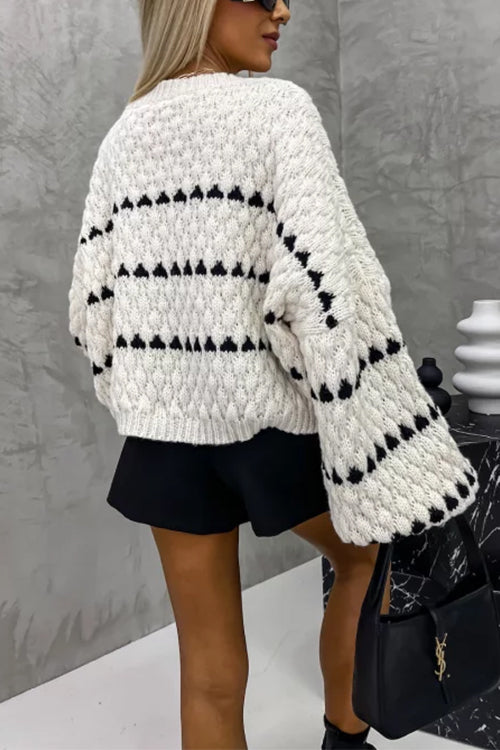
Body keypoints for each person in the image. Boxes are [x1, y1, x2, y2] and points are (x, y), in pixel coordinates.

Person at [67, 0, 479, 748]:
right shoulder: (277, 111)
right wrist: (361, 413)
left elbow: (93, 314)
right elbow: (325, 293)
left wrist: (153, 388)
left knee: (209, 671)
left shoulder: (124, 134)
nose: (283, 10)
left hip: (162, 442)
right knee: (364, 559)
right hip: (267, 427)